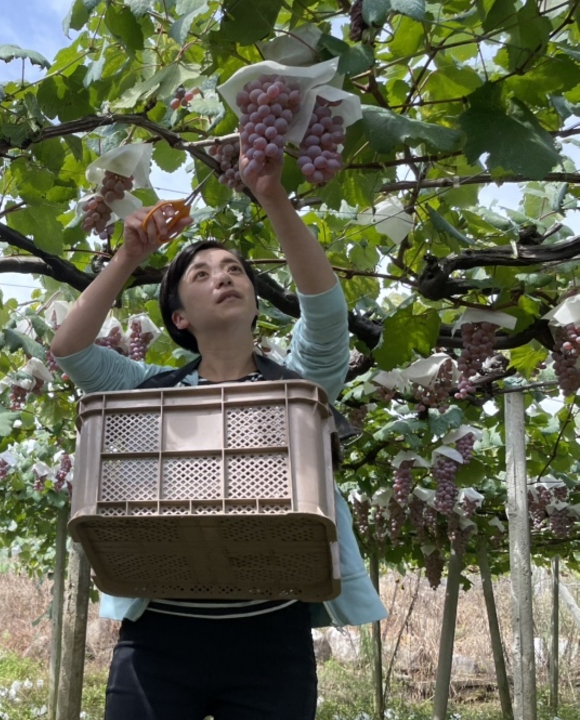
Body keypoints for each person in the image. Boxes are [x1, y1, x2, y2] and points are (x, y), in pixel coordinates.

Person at [51, 149, 386, 719]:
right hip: (158, 639)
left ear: (256, 302)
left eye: (234, 270)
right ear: (180, 316)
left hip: (271, 638)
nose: (222, 277)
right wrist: (130, 256)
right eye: (200, 275)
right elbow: (70, 349)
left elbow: (327, 316)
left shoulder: (298, 383)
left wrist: (272, 195)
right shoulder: (150, 390)